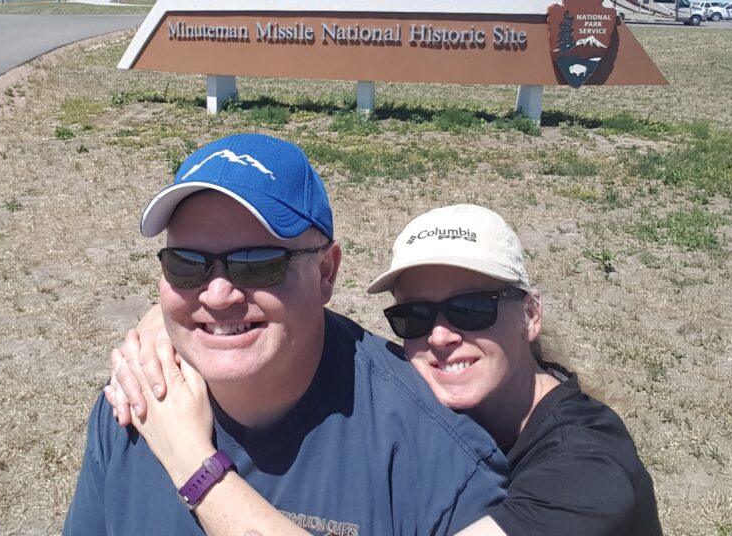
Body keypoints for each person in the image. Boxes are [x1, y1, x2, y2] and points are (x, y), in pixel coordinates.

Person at [111, 203, 663, 536]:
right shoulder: (422, 392)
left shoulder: (586, 467)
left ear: (532, 315)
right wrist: (168, 323)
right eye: (414, 316)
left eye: (473, 309)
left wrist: (191, 460)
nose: (441, 336)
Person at [63, 134, 507, 535]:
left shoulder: (431, 457)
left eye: (259, 263)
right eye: (186, 264)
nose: (217, 295)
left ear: (326, 273)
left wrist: (193, 466)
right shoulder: (135, 398)